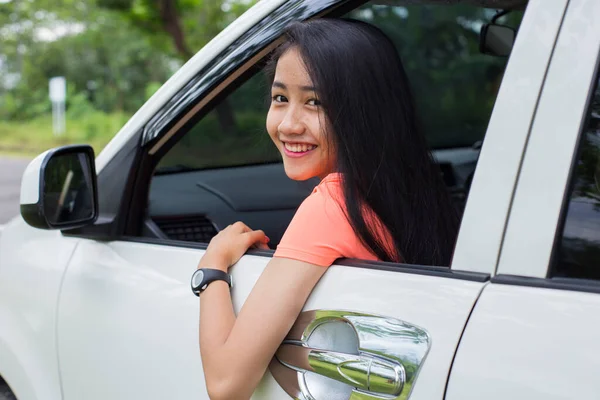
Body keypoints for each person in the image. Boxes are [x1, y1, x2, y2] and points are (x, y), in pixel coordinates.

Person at [193, 18, 459, 400]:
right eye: (280, 98)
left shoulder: (332, 206)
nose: (288, 124)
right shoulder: (412, 188)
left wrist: (212, 267)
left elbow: (225, 385)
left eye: (315, 102)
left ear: (365, 112)